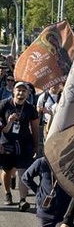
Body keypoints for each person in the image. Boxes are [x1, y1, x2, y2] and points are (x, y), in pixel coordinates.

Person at [0, 81, 40, 211]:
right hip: (6, 142)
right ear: (13, 91)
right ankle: (7, 193)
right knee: (7, 170)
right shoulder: (4, 105)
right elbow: (2, 129)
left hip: (24, 142)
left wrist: (35, 144)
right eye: (19, 90)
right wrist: (10, 121)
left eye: (24, 91)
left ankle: (23, 200)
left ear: (28, 94)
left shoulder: (30, 108)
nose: (21, 93)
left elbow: (35, 128)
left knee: (23, 171)